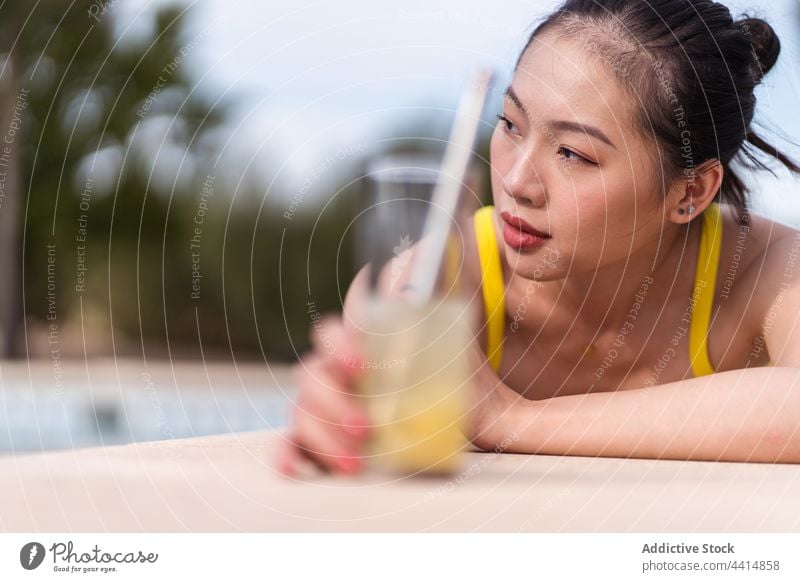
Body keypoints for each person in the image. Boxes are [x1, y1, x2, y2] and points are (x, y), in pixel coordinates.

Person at [276, 0, 800, 475]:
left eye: (573, 153)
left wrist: (508, 418)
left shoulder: (770, 273)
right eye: (510, 124)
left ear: (690, 191)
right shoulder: (437, 285)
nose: (515, 182)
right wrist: (345, 412)